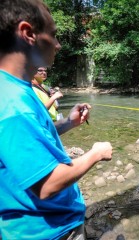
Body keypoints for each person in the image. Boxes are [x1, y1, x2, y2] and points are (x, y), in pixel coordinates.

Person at [0, 1, 113, 239]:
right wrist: (95, 153)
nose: (58, 45)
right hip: (49, 231)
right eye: (53, 35)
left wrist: (68, 123)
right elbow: (47, 185)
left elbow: (31, 139)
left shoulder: (14, 88)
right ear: (28, 33)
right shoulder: (13, 104)